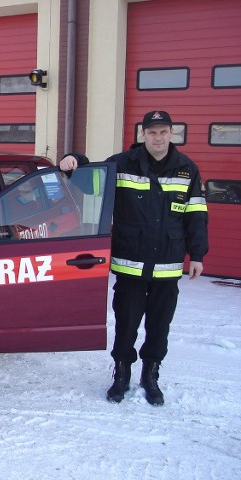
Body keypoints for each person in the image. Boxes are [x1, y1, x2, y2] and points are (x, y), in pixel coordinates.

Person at [59, 110, 208, 406]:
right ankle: (122, 375)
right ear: (142, 135)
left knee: (159, 325)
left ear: (171, 134)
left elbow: (196, 215)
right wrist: (72, 161)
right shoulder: (122, 163)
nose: (158, 137)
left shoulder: (186, 169)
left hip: (168, 263)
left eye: (163, 132)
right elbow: (89, 181)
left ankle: (150, 376)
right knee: (127, 323)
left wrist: (198, 255)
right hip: (130, 263)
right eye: (152, 132)